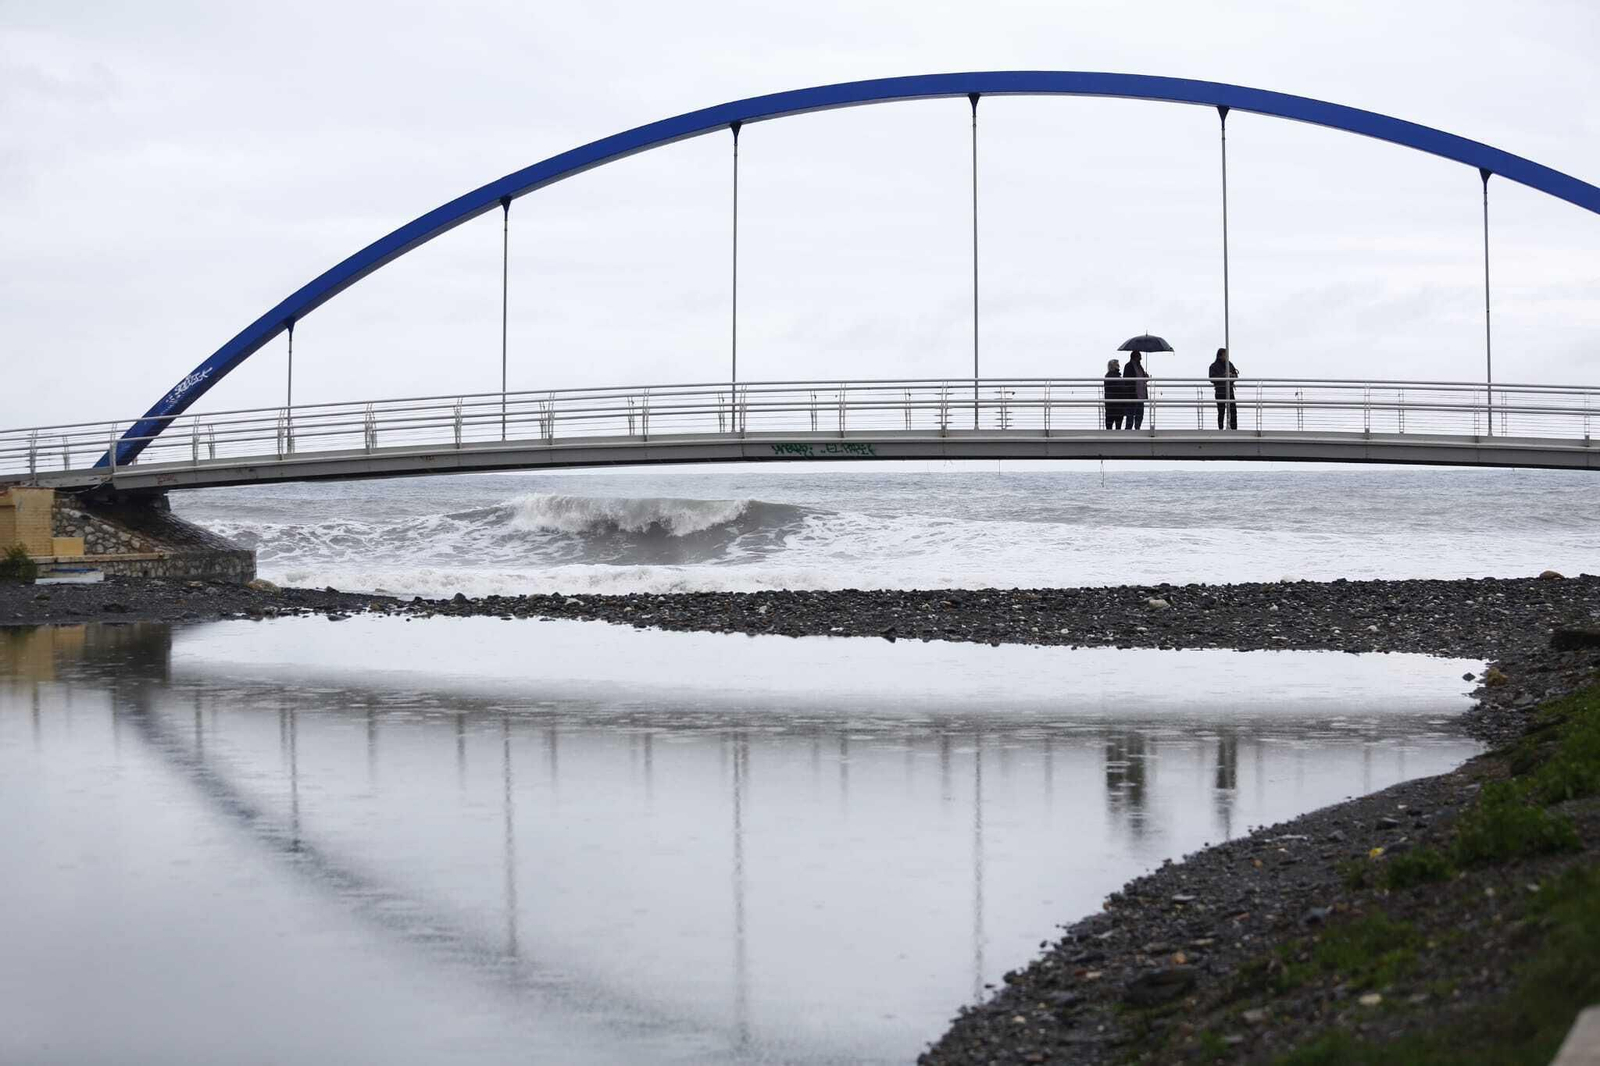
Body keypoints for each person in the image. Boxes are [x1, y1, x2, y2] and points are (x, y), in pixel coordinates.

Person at [1209, 347, 1239, 430]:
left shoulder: (1229, 364)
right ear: (1220, 355)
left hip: (1230, 390)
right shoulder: (1213, 366)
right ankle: (1221, 429)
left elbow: (1235, 375)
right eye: (1225, 355)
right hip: (1220, 391)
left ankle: (1234, 429)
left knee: (1233, 411)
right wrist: (1224, 376)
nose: (1227, 356)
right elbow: (1212, 379)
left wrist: (1232, 376)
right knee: (1221, 411)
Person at [1123, 350, 1150, 429]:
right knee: (1130, 416)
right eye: (1139, 356)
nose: (1141, 358)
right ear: (1135, 357)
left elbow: (1141, 379)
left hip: (1141, 396)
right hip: (1132, 396)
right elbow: (1127, 380)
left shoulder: (1140, 367)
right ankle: (1128, 432)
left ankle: (1137, 429)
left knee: (1140, 416)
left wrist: (1145, 377)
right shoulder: (1128, 366)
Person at [1102, 358, 1125, 430]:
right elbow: (1121, 389)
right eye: (1117, 364)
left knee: (1109, 428)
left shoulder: (1108, 376)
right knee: (1118, 428)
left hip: (1110, 406)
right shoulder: (1115, 377)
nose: (1119, 366)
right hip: (1117, 406)